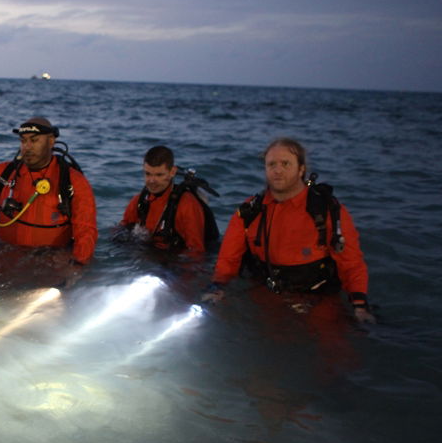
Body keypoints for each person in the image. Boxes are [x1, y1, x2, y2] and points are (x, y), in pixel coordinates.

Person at [202, 138, 375, 323]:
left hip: (318, 299)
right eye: (271, 164)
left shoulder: (327, 210)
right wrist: (217, 287)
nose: (277, 170)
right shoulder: (249, 211)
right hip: (265, 295)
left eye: (285, 164)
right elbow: (229, 259)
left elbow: (351, 264)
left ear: (301, 169)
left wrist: (360, 305)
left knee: (335, 348)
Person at [0, 117, 98, 266]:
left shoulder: (73, 180)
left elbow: (85, 230)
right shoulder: (2, 174)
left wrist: (78, 265)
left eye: (34, 141)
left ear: (51, 141)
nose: (27, 147)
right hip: (5, 257)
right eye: (23, 141)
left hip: (52, 261)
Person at [116, 145, 219, 254]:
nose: (151, 181)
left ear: (172, 172)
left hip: (174, 262)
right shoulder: (139, 201)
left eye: (159, 175)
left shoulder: (187, 206)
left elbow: (196, 252)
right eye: (148, 174)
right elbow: (123, 227)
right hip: (147, 256)